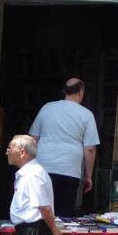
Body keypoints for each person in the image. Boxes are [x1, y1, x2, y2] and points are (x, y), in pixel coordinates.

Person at [28, 78, 100, 216]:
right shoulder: (86, 114)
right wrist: (88, 176)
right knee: (64, 214)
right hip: (69, 170)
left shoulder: (47, 108)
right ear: (81, 92)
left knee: (39, 210)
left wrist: (27, 166)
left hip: (43, 168)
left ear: (64, 91)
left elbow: (32, 139)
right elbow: (90, 149)